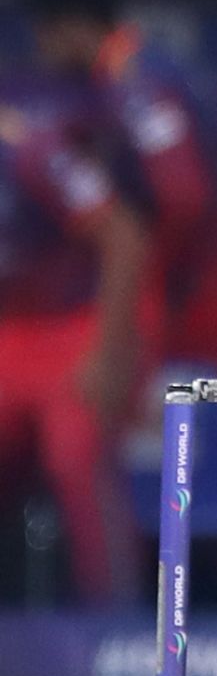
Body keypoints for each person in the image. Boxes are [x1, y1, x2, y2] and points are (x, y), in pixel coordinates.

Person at [26, 0, 217, 390]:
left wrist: (149, 276)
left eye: (42, 32)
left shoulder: (134, 78)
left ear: (73, 25)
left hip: (209, 294)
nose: (38, 48)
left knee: (192, 446)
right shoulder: (156, 65)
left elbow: (182, 194)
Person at [0, 101, 148, 602]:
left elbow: (124, 237)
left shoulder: (36, 150)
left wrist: (109, 355)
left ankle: (112, 619)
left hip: (69, 328)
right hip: (8, 329)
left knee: (75, 454)